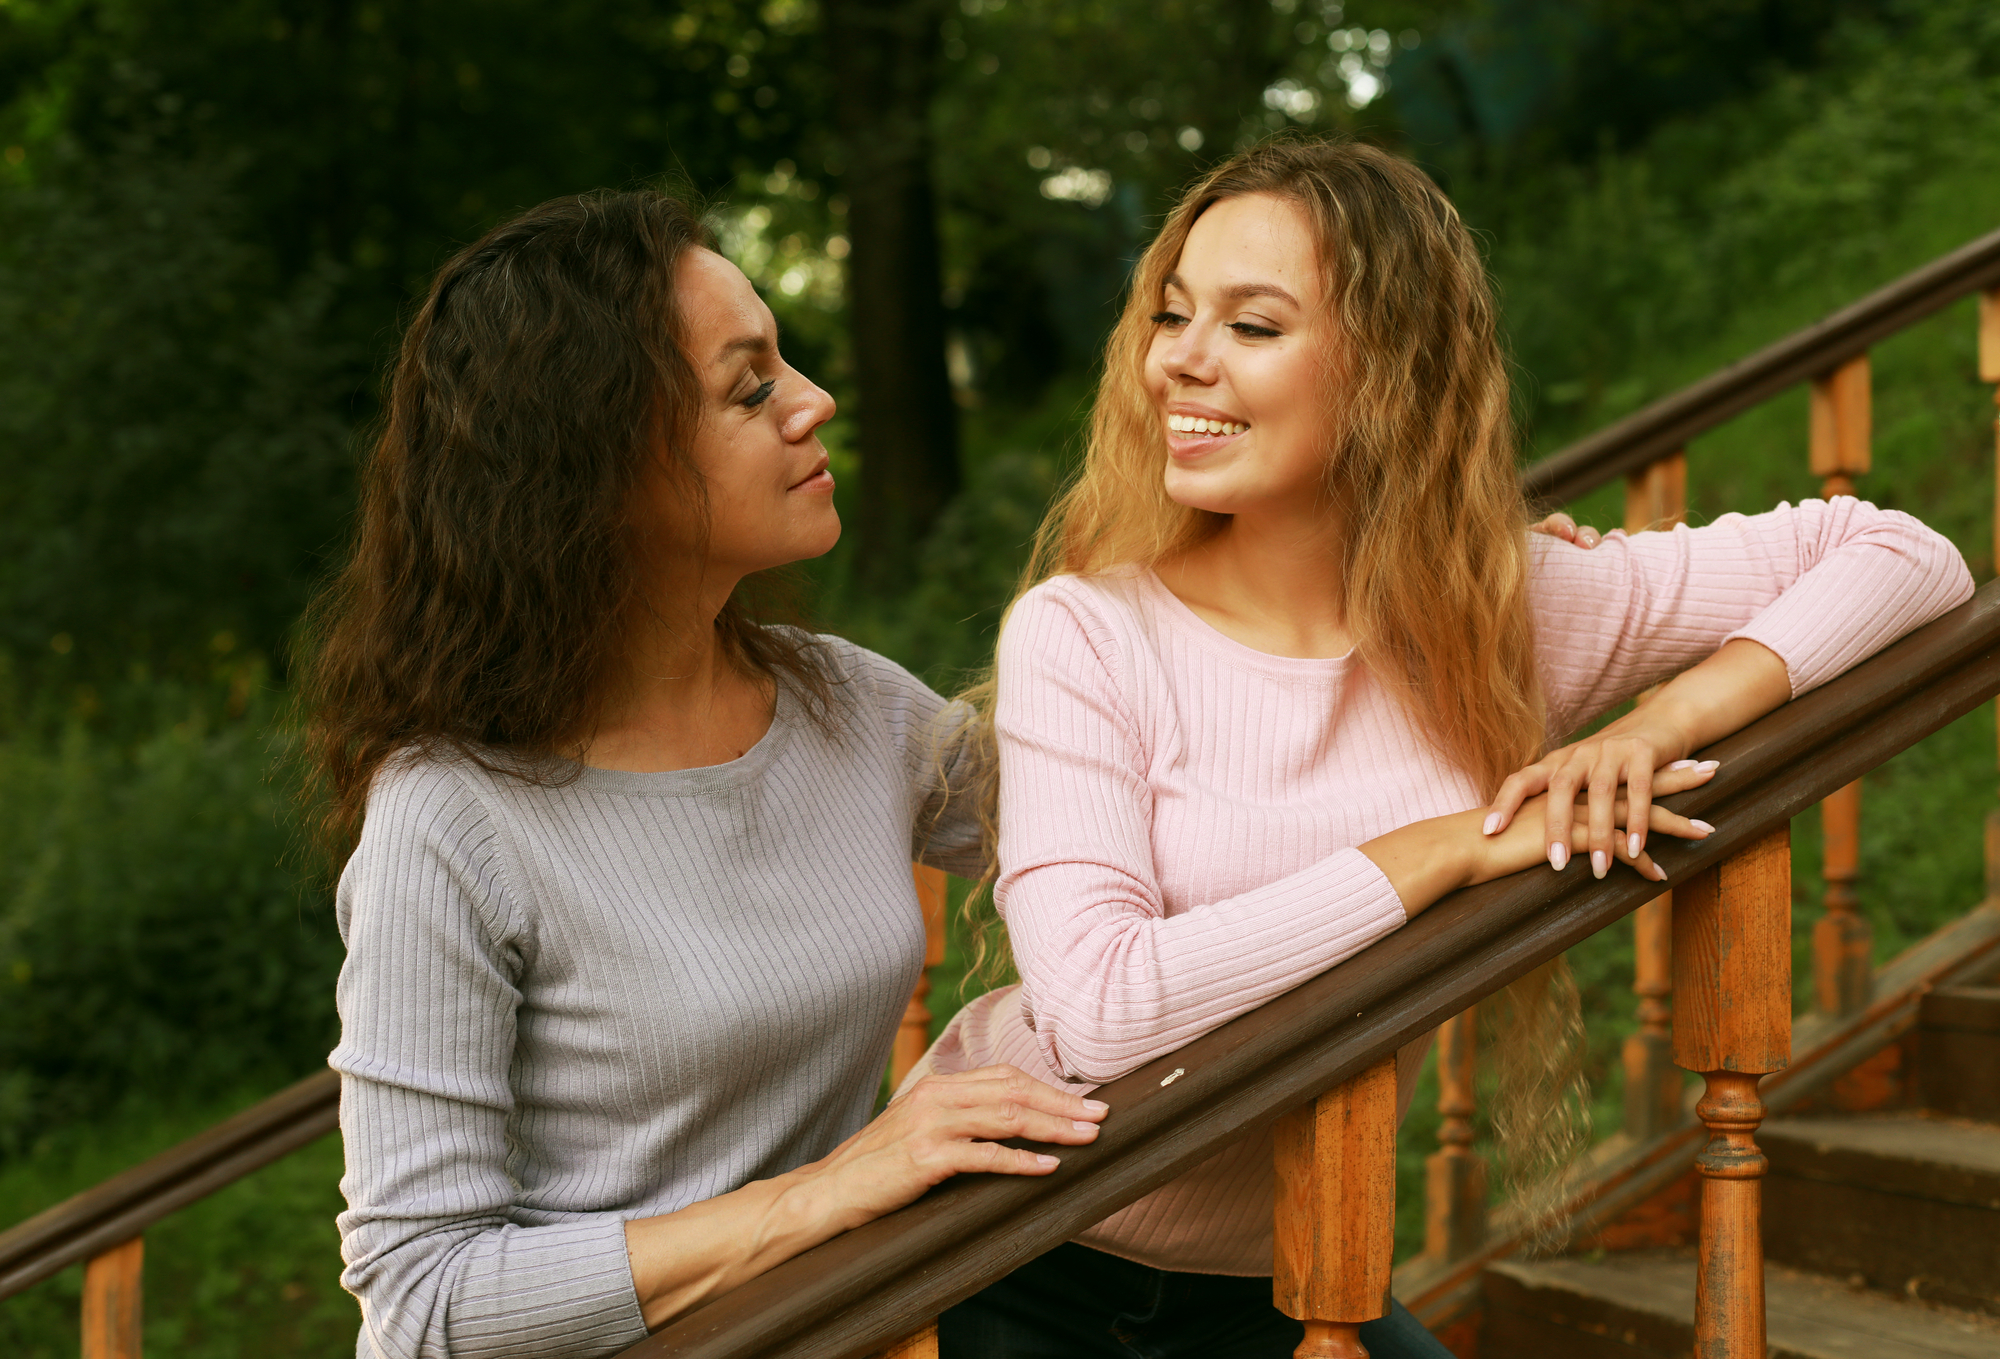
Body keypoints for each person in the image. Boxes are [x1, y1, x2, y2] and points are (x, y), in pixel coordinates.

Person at [921, 138, 1974, 1358]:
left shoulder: (1495, 612)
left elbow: (1906, 556)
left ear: (1388, 375)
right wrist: (1439, 851)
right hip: (1004, 1257)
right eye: (1169, 314)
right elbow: (1100, 1014)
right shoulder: (1088, 634)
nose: (1178, 361)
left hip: (1292, 1267)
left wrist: (1652, 723)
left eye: (1251, 326)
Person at [300, 190, 1110, 1359]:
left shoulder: (850, 706)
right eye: (751, 387)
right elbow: (426, 1299)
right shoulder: (451, 816)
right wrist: (831, 1187)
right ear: (598, 467)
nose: (815, 401)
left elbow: (1124, 837)